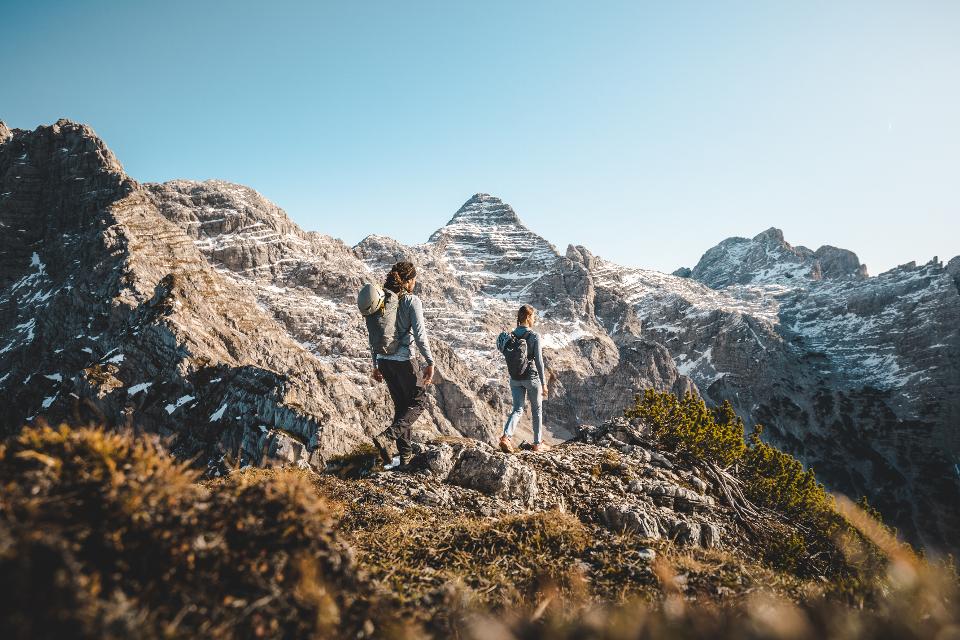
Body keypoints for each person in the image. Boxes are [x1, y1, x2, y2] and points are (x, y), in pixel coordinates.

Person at [370, 261, 435, 466]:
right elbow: (420, 336)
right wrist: (430, 361)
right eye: (414, 280)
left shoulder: (381, 300)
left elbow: (374, 334)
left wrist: (376, 364)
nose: (415, 284)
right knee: (419, 402)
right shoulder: (411, 301)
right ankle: (386, 437)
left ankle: (405, 457)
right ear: (408, 281)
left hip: (384, 361)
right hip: (404, 361)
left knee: (401, 407)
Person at [499, 304, 550, 453]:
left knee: (517, 409)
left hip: (515, 378)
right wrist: (544, 383)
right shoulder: (534, 336)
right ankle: (537, 444)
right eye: (533, 316)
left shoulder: (511, 335)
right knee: (537, 410)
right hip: (531, 377)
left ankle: (506, 437)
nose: (534, 319)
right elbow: (539, 362)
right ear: (528, 317)